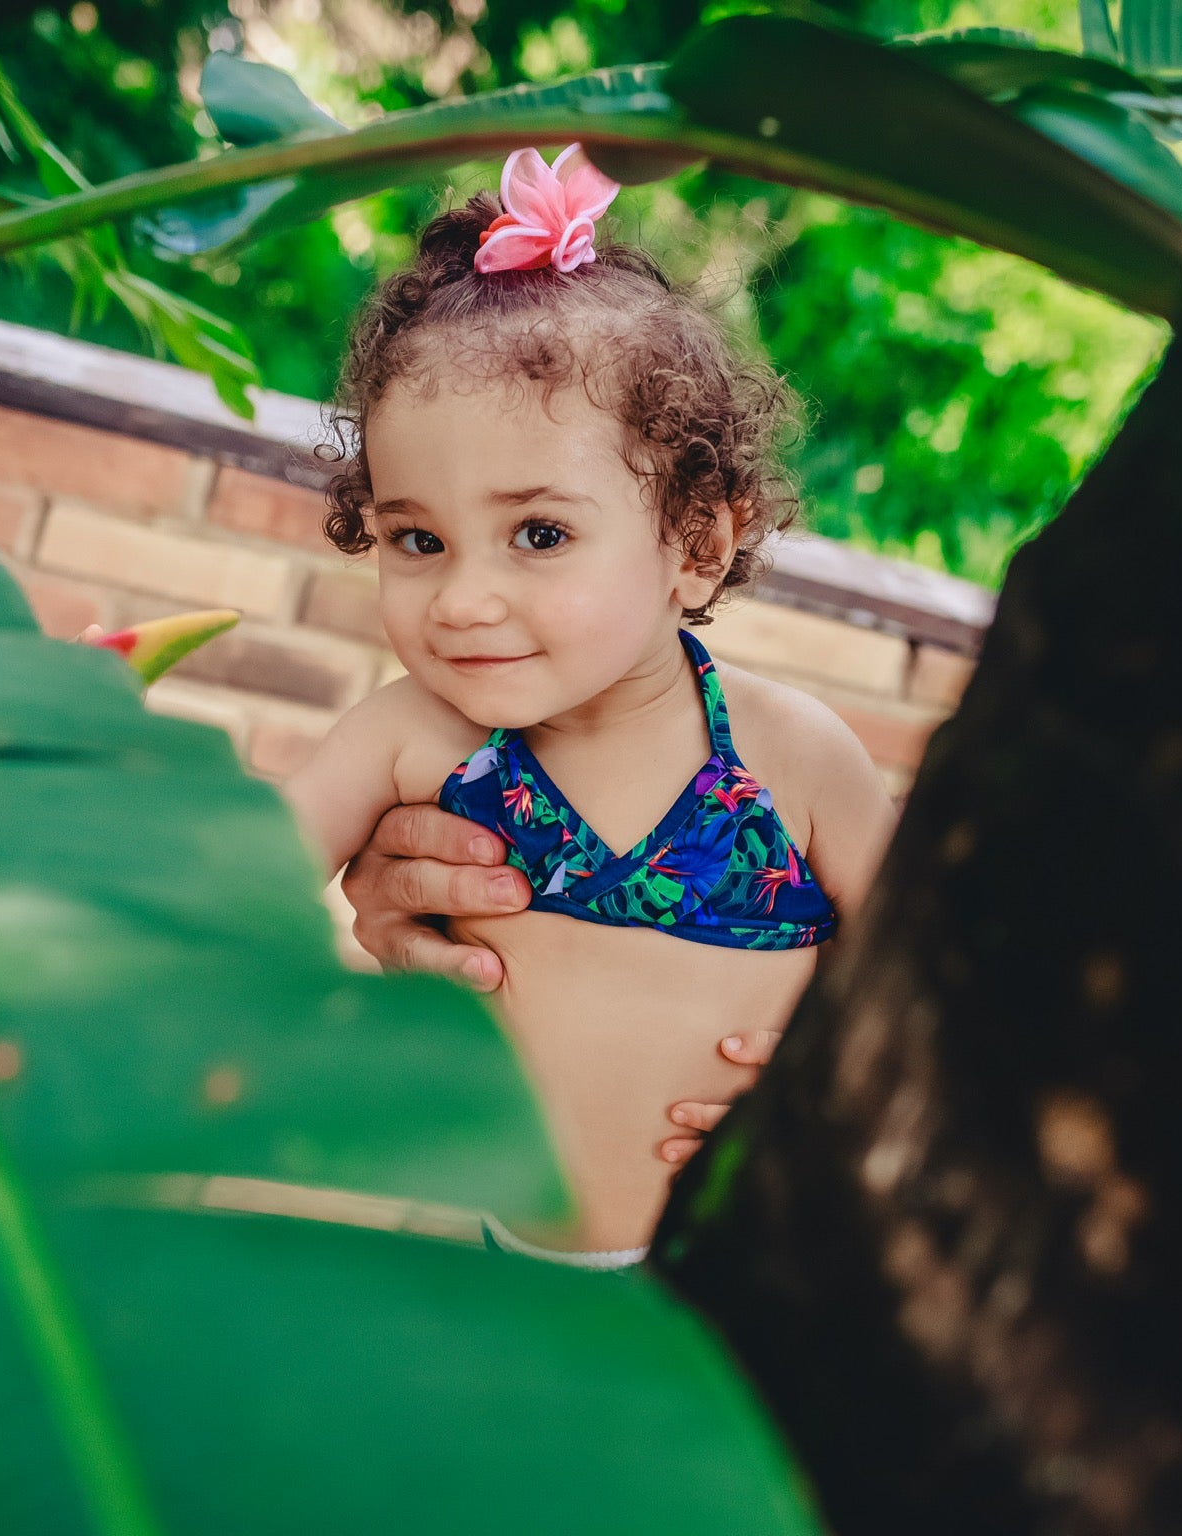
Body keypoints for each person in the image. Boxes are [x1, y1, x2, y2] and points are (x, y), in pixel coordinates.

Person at [284, 146, 895, 1264]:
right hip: (496, 1265)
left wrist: (838, 1089)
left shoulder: (790, 760)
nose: (464, 600)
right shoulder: (415, 735)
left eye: (540, 535)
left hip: (756, 1279)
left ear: (697, 543)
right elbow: (233, 877)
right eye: (417, 539)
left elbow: (939, 970)